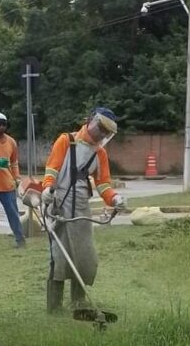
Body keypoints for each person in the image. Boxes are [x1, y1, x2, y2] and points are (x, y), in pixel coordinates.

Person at [41, 107, 126, 312]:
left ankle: (78, 302)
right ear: (90, 121)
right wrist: (47, 187)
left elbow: (103, 184)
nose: (102, 134)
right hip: (59, 205)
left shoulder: (100, 153)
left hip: (81, 207)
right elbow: (52, 168)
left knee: (83, 254)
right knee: (59, 255)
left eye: (106, 132)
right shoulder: (66, 141)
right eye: (101, 128)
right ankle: (54, 307)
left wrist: (115, 199)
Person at [0, 112, 26, 247]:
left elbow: (14, 162)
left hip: (8, 186)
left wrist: (17, 178)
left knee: (13, 214)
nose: (1, 127)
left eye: (4, 124)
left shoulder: (11, 142)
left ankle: (20, 240)